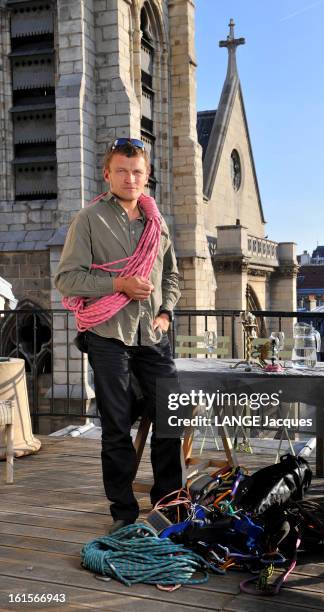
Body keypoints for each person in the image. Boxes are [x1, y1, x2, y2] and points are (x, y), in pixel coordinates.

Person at [55, 138, 183, 534]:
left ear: (147, 178)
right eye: (123, 171)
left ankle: (169, 506)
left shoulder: (156, 224)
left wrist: (165, 313)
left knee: (171, 416)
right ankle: (123, 513)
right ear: (108, 174)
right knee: (115, 426)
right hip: (108, 336)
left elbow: (172, 277)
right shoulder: (89, 219)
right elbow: (67, 279)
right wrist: (119, 284)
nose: (131, 178)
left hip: (151, 336)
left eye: (138, 172)